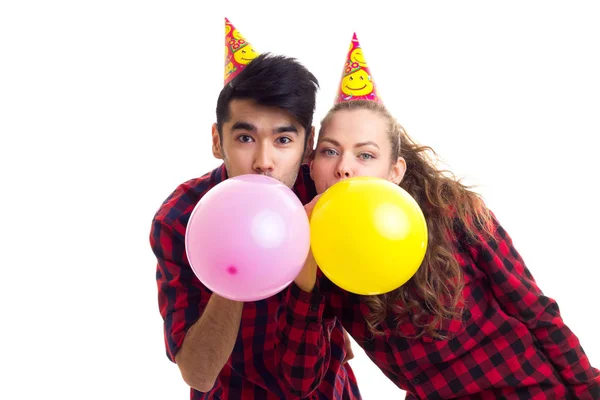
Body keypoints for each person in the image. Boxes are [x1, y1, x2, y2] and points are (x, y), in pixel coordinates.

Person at [277, 33, 600, 399]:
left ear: (395, 171)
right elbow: (299, 381)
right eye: (330, 152)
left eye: (365, 155)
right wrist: (304, 275)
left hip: (527, 390)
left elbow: (536, 312)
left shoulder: (453, 211)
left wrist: (589, 389)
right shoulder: (318, 253)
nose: (345, 168)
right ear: (313, 166)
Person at [149, 20, 361, 399]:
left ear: (307, 144)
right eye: (245, 137)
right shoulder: (180, 217)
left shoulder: (325, 195)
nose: (264, 161)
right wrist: (236, 265)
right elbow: (197, 373)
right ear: (218, 140)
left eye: (283, 139)